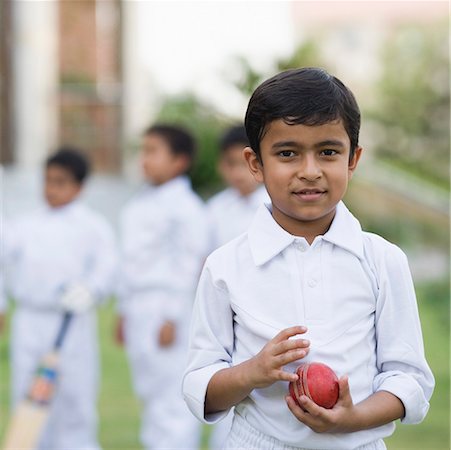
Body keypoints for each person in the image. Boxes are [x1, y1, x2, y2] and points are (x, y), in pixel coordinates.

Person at [183, 67, 434, 450]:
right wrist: (252, 372)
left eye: (328, 152)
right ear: (255, 164)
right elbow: (200, 386)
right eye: (287, 154)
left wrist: (355, 418)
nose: (310, 171)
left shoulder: (383, 260)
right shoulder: (226, 266)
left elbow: (410, 379)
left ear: (353, 159)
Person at [3, 148, 117, 450]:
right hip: (30, 319)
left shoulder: (93, 227)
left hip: (71, 324)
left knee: (74, 398)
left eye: (60, 182)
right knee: (27, 394)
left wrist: (92, 290)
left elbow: (108, 268)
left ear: (79, 186)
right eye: (47, 181)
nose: (50, 189)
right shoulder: (24, 225)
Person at [115, 124, 209, 450]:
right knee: (148, 392)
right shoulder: (140, 202)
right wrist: (122, 310)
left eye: (153, 151)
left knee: (171, 397)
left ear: (179, 161)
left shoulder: (186, 208)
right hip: (139, 305)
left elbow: (188, 265)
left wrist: (171, 316)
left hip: (166, 308)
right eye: (143, 151)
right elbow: (129, 262)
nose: (144, 159)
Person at [208, 124, 269, 250]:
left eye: (244, 164)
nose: (238, 173)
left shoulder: (274, 205)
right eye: (231, 164)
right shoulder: (215, 207)